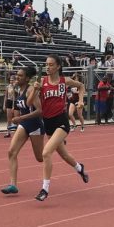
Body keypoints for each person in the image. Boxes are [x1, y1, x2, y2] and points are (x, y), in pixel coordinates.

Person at [35, 55, 89, 201]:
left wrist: (81, 100)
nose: (47, 67)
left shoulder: (65, 81)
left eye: (51, 64)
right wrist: (35, 91)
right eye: (46, 64)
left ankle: (44, 189)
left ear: (58, 66)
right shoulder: (41, 82)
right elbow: (31, 101)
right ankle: (80, 168)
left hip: (61, 121)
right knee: (64, 155)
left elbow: (81, 86)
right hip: (48, 123)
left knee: (46, 153)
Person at [1, 65, 44, 195]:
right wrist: (17, 118)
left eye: (20, 76)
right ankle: (13, 184)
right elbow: (19, 108)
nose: (16, 77)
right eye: (16, 75)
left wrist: (21, 118)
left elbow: (39, 111)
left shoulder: (31, 90)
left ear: (27, 78)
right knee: (11, 152)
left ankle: (55, 145)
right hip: (24, 124)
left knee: (40, 158)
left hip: (35, 125)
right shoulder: (18, 90)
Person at [3, 73, 17, 137]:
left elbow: (15, 96)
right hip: (9, 101)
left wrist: (14, 106)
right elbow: (6, 96)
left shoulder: (16, 87)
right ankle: (8, 132)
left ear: (15, 80)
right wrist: (4, 105)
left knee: (16, 119)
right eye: (10, 80)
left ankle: (18, 132)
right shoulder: (8, 87)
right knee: (9, 119)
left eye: (12, 80)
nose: (11, 81)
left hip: (15, 102)